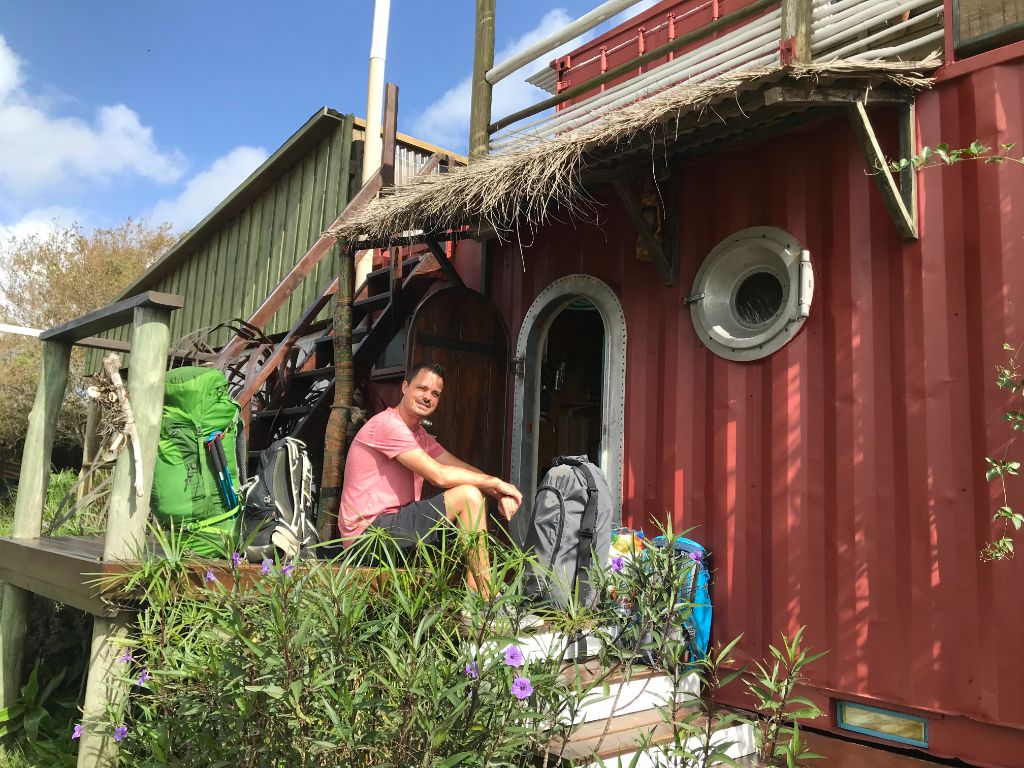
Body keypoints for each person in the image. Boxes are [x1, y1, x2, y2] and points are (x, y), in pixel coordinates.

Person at [340, 362, 522, 595]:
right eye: (422, 388)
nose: (428, 397)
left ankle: (477, 598)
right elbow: (439, 475)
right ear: (405, 387)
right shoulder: (387, 425)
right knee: (467, 495)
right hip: (367, 538)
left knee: (474, 496)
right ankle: (484, 599)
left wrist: (497, 492)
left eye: (435, 394)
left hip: (392, 529)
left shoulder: (418, 434)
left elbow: (457, 466)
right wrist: (496, 483)